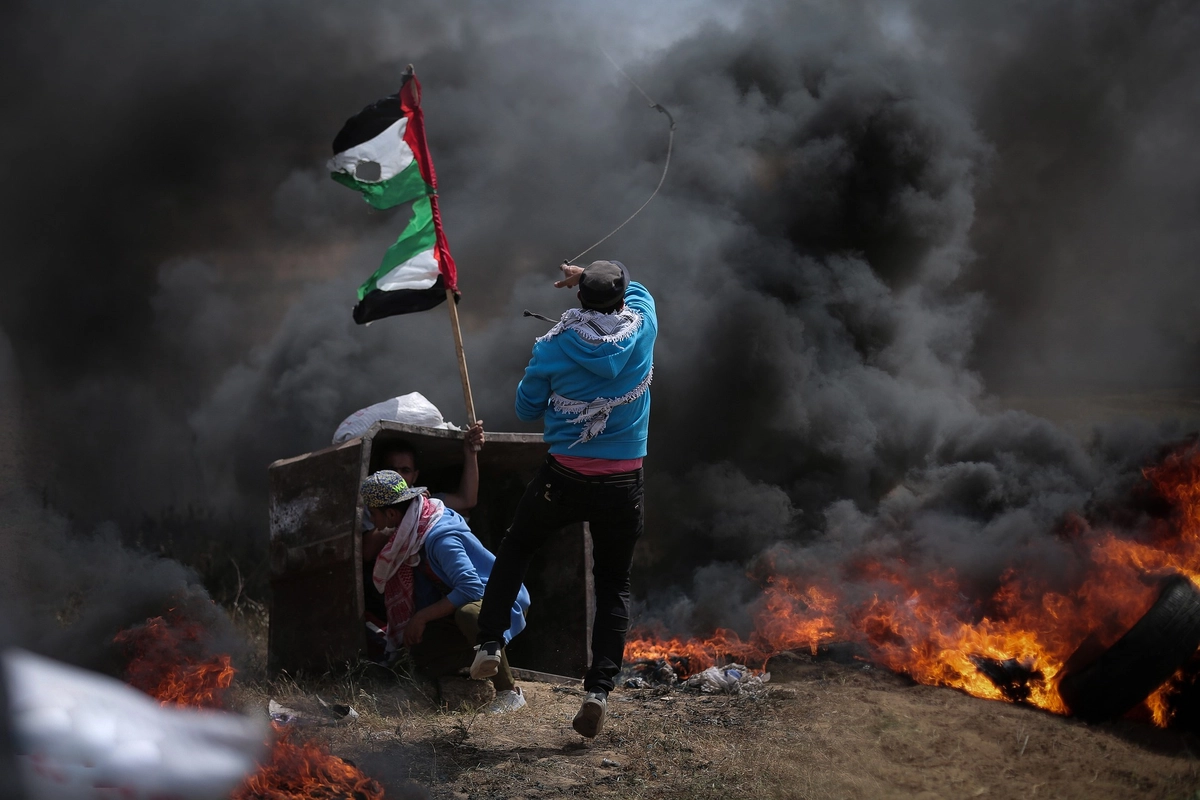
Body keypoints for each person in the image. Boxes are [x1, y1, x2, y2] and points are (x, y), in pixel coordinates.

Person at [472, 260, 656, 738]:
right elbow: (640, 293)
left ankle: (490, 643)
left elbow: (526, 408)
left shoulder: (553, 346)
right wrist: (592, 276)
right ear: (621, 297)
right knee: (614, 583)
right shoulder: (643, 326)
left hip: (565, 478)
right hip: (623, 484)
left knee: (516, 549)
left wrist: (554, 380)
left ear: (579, 300)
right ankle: (597, 692)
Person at [361, 469, 530, 712]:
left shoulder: (439, 536)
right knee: (418, 655)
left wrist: (421, 617)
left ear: (390, 513)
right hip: (464, 603)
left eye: (372, 513)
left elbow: (471, 588)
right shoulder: (409, 537)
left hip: (499, 601)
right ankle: (475, 671)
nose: (371, 520)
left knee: (469, 615)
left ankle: (509, 692)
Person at [374, 420, 486, 514]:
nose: (398, 476)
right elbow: (368, 539)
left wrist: (471, 452)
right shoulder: (372, 500)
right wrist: (407, 508)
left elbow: (466, 501)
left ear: (415, 476)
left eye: (405, 470)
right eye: (391, 470)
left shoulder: (426, 502)